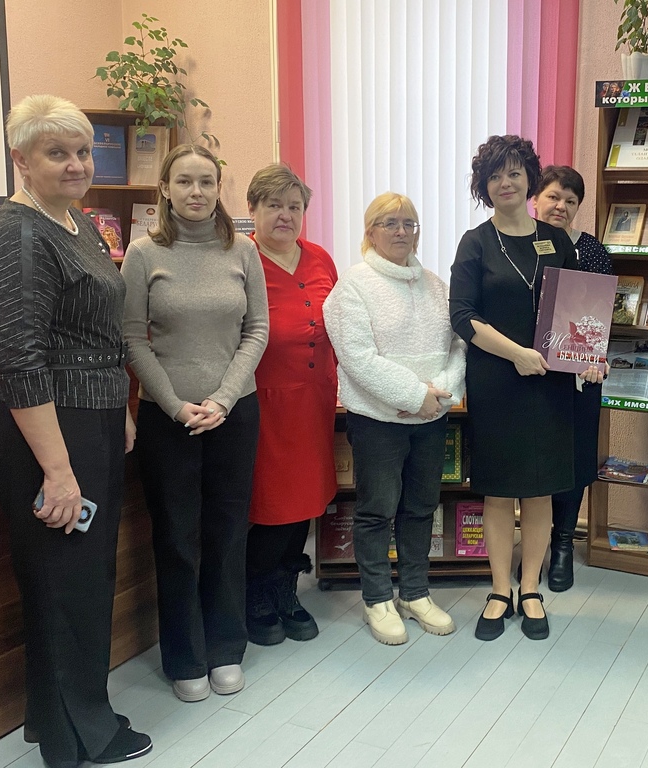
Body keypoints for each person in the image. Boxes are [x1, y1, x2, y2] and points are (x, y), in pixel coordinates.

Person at [0, 95, 151, 768]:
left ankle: (60, 721)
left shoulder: (75, 222)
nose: (76, 165)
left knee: (82, 578)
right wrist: (60, 471)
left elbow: (95, 333)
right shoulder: (16, 239)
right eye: (57, 153)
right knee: (66, 584)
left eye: (82, 152)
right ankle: (81, 737)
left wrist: (119, 408)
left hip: (89, 418)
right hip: (48, 432)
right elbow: (20, 365)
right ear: (21, 160)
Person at [121, 144, 269, 703]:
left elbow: (257, 330)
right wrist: (174, 403)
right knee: (177, 537)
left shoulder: (243, 251)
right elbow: (132, 337)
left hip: (234, 412)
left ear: (218, 188)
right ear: (165, 188)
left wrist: (224, 399)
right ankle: (184, 655)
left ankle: (226, 647)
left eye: (206, 181)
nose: (196, 192)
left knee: (228, 533)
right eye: (184, 181)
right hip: (168, 418)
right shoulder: (143, 253)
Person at [449, 135, 603, 643]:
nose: (505, 182)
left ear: (530, 180)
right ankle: (499, 591)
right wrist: (516, 353)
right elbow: (462, 316)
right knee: (498, 491)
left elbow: (578, 308)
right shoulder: (475, 242)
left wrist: (590, 357)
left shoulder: (557, 241)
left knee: (540, 490)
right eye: (494, 176)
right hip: (497, 380)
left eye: (514, 172)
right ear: (484, 186)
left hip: (551, 384)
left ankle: (531, 588)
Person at [323, 192, 466, 645]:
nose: (401, 231)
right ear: (370, 232)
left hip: (431, 419)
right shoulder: (353, 286)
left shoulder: (435, 285)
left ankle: (415, 593)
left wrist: (438, 394)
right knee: (376, 511)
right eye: (390, 223)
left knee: (421, 507)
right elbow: (356, 358)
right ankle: (377, 599)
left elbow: (456, 346)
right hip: (378, 422)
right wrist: (413, 395)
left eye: (409, 223)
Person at [243, 164, 338, 645]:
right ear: (253, 209)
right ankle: (255, 594)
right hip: (262, 404)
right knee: (267, 505)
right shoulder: (240, 258)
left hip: (315, 402)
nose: (285, 215)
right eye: (274, 205)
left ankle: (287, 590)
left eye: (294, 206)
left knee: (305, 501)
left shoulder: (320, 258)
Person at [532, 165, 614, 592]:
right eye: (553, 196)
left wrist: (595, 357)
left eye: (570, 200)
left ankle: (562, 544)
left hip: (580, 374)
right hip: (528, 372)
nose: (560, 206)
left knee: (575, 456)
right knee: (535, 459)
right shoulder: (519, 244)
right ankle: (533, 545)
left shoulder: (592, 250)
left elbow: (597, 313)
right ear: (535, 199)